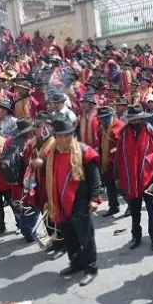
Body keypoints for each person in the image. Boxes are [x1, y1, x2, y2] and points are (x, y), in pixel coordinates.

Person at [32, 117, 102, 285]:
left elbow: (95, 178)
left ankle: (91, 269)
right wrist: (48, 200)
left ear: (72, 134)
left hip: (80, 202)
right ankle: (76, 263)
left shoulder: (84, 151)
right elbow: (49, 178)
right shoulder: (52, 153)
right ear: (55, 137)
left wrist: (94, 199)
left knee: (86, 238)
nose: (63, 139)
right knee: (69, 237)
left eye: (67, 135)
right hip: (60, 203)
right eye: (60, 136)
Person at [117, 105, 153, 251]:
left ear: (142, 118)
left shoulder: (151, 131)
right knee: (135, 211)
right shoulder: (123, 134)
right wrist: (117, 176)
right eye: (133, 119)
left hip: (149, 177)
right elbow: (118, 156)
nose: (136, 122)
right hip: (131, 179)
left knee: (151, 210)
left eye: (138, 119)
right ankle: (136, 236)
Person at [97, 106, 124, 217]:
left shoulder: (119, 125)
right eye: (102, 118)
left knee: (121, 186)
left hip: (118, 161)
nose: (105, 120)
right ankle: (113, 206)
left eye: (107, 117)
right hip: (107, 162)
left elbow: (122, 143)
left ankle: (131, 207)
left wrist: (114, 151)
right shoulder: (101, 128)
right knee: (109, 185)